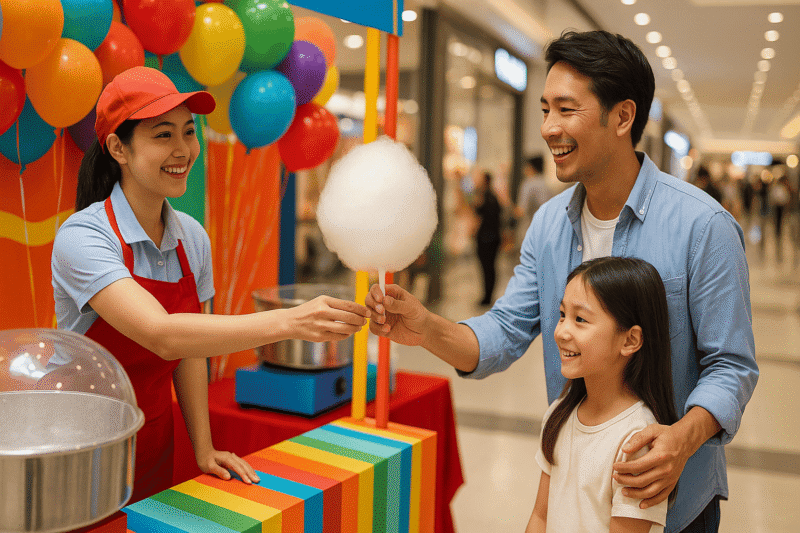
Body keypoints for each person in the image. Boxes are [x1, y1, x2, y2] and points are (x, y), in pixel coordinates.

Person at [365, 30, 758, 533]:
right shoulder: (549, 225)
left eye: (566, 110)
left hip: (674, 503)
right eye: (545, 109)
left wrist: (682, 438)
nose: (549, 128)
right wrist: (426, 328)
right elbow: (506, 331)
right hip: (577, 496)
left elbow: (732, 365)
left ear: (622, 116)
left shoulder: (702, 227)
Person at [51, 67, 367, 504]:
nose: (183, 150)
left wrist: (203, 447)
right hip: (80, 445)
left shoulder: (192, 238)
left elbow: (189, 351)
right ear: (117, 148)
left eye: (189, 132)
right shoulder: (82, 237)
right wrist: (289, 321)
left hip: (153, 439)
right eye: (163, 135)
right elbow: (162, 334)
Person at [526, 256, 677, 533]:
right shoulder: (559, 414)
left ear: (630, 340)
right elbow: (540, 516)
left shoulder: (636, 440)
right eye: (562, 315)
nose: (561, 332)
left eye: (580, 319)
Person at [473, 171, 502, 305]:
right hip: (493, 237)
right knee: (490, 268)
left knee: (487, 268)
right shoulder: (494, 196)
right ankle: (488, 295)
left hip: (486, 238)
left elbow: (478, 213)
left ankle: (487, 296)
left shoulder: (485, 196)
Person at [515, 155, 551, 242]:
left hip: (530, 233)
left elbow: (520, 212)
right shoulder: (545, 184)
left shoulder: (528, 184)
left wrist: (505, 201)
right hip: (545, 232)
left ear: (530, 167)